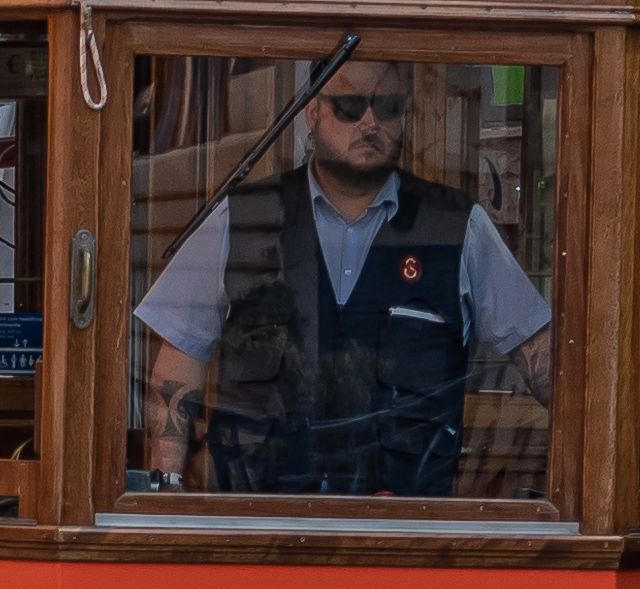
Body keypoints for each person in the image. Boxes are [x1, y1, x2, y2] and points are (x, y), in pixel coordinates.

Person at [136, 65, 550, 493]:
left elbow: (540, 354)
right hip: (261, 531)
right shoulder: (242, 218)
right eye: (350, 106)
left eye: (388, 108)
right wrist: (164, 489)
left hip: (408, 537)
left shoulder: (460, 228)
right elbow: (179, 360)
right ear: (312, 113)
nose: (370, 123)